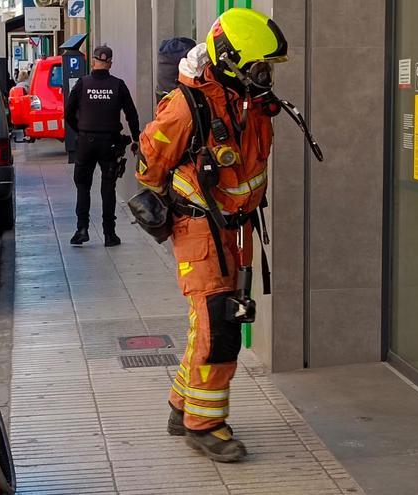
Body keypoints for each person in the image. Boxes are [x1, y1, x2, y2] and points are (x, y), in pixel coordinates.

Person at [135, 8, 288, 462]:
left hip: (236, 230)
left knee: (212, 322)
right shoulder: (187, 106)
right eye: (261, 66)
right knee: (218, 327)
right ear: (230, 59)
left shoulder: (246, 99)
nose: (266, 76)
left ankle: (181, 406)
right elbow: (150, 163)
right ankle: (204, 425)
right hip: (201, 229)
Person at [64, 45, 140, 247]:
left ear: (93, 62)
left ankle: (82, 229)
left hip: (86, 143)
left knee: (83, 187)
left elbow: (68, 112)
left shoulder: (82, 83)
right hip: (110, 143)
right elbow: (131, 113)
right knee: (108, 189)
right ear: (110, 64)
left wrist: (80, 129)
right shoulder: (118, 85)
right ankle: (109, 234)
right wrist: (135, 138)